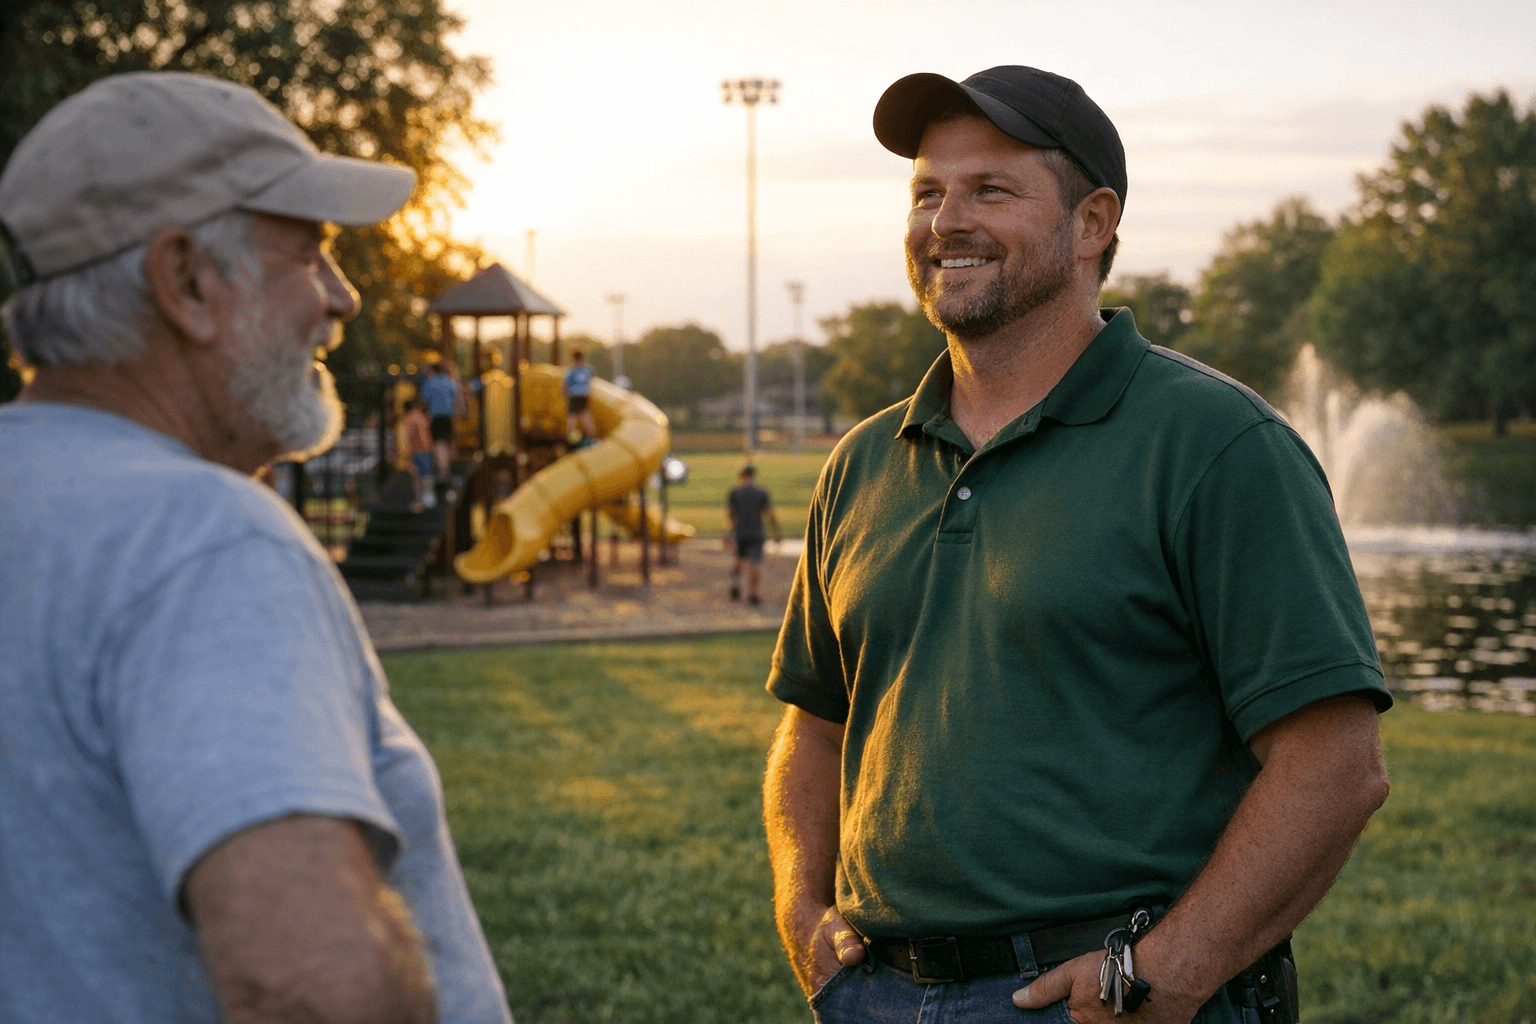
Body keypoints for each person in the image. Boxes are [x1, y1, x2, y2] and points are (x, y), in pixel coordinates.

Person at [762, 66, 1392, 1024]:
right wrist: (803, 915)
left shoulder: (1219, 446)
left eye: (991, 190)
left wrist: (1169, 971)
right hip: (875, 996)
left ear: (1093, 224)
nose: (945, 222)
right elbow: (814, 722)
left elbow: (1336, 764)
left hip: (1105, 997)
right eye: (928, 191)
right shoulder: (862, 462)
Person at [0, 71, 512, 1023]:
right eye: (311, 253)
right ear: (187, 280)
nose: (344, 297)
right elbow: (311, 986)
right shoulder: (201, 536)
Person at [724, 463, 782, 605]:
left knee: (737, 560)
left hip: (741, 532)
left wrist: (728, 534)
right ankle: (753, 593)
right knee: (755, 563)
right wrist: (777, 532)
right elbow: (769, 514)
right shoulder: (761, 492)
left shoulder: (735, 492)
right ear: (753, 476)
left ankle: (736, 585)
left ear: (741, 476)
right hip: (756, 532)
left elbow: (730, 516)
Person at [419, 359, 460, 477]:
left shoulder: (430, 382)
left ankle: (443, 470)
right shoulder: (449, 382)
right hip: (449, 415)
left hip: (437, 416)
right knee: (448, 441)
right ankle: (449, 466)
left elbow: (423, 399)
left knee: (439, 443)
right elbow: (455, 397)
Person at [401, 397, 437, 509]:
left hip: (416, 451)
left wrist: (406, 452)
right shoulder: (423, 417)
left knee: (418, 476)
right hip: (426, 450)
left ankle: (420, 499)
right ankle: (427, 497)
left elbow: (405, 436)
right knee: (427, 474)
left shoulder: (408, 418)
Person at [563, 347, 596, 442]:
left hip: (573, 395)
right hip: (583, 395)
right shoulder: (588, 369)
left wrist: (565, 393)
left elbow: (565, 383)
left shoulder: (570, 370)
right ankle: (590, 436)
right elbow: (592, 378)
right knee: (585, 415)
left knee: (573, 418)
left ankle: (571, 439)